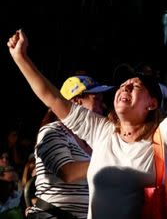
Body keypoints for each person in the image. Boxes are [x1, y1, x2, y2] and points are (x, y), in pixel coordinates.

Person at [7, 20, 167, 219]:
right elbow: (53, 97)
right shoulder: (101, 131)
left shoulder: (164, 138)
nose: (124, 88)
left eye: (135, 86)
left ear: (152, 104)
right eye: (122, 85)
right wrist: (21, 58)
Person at [26, 75, 114, 219]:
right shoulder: (52, 131)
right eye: (96, 99)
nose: (102, 106)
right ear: (77, 102)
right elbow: (67, 172)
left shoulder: (93, 141)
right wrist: (112, 161)